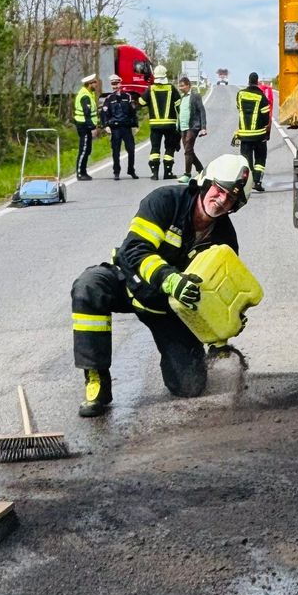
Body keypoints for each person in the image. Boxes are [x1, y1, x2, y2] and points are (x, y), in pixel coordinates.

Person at [70, 152, 251, 416]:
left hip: (169, 310)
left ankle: (180, 361)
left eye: (231, 198)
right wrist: (169, 279)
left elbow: (217, 294)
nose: (222, 200)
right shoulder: (165, 201)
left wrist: (224, 327)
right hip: (130, 283)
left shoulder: (225, 241)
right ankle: (96, 379)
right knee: (89, 286)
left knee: (189, 386)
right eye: (219, 189)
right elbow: (134, 251)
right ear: (205, 182)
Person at [234, 70, 272, 191]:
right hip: (259, 135)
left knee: (246, 159)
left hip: (244, 135)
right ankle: (257, 182)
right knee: (260, 159)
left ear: (248, 81)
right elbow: (266, 118)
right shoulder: (262, 97)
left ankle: (247, 183)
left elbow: (239, 108)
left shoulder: (240, 94)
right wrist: (264, 128)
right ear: (257, 82)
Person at [143, 63, 180, 181]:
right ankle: (167, 172)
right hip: (170, 125)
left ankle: (154, 174)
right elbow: (179, 105)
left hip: (155, 126)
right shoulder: (171, 88)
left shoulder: (150, 89)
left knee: (155, 148)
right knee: (169, 148)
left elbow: (141, 102)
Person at [101, 72, 140, 180]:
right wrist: (106, 125)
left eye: (117, 84)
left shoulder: (127, 96)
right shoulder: (109, 98)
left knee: (131, 150)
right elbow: (104, 113)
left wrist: (135, 125)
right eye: (113, 84)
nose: (115, 86)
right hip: (115, 128)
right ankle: (116, 172)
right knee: (116, 151)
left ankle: (131, 170)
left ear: (120, 84)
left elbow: (133, 112)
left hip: (126, 127)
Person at [73, 72, 100, 180]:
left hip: (86, 125)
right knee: (84, 149)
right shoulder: (85, 96)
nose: (96, 84)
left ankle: (84, 172)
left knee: (87, 149)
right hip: (84, 126)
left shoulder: (89, 93)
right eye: (94, 82)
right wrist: (92, 128)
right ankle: (80, 173)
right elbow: (87, 113)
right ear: (89, 84)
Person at [177, 75, 206, 177]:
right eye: (179, 86)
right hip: (183, 127)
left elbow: (202, 111)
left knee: (188, 150)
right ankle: (200, 169)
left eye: (182, 86)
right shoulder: (182, 97)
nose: (180, 88)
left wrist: (203, 128)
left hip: (193, 126)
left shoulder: (195, 96)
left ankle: (187, 174)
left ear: (188, 85)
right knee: (188, 151)